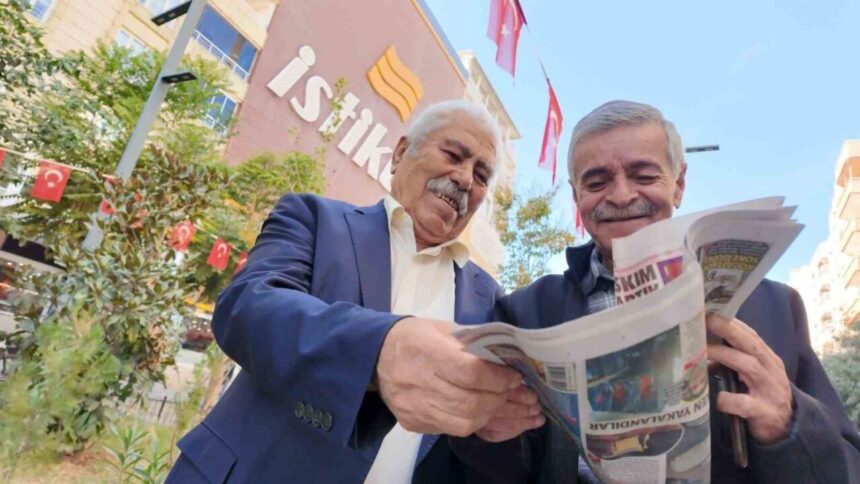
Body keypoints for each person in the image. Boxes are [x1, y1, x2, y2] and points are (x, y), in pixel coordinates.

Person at [452, 100, 860, 483]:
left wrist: (789, 424)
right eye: (597, 182)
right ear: (577, 198)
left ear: (678, 183)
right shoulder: (524, 314)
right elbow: (493, 471)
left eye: (644, 176)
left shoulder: (776, 308)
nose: (622, 195)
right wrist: (486, 432)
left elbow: (847, 466)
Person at [166, 100, 544, 483]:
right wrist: (378, 350)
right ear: (400, 153)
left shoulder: (490, 302)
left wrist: (491, 425)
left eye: (481, 175)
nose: (464, 179)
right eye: (453, 155)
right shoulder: (314, 219)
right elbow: (246, 308)